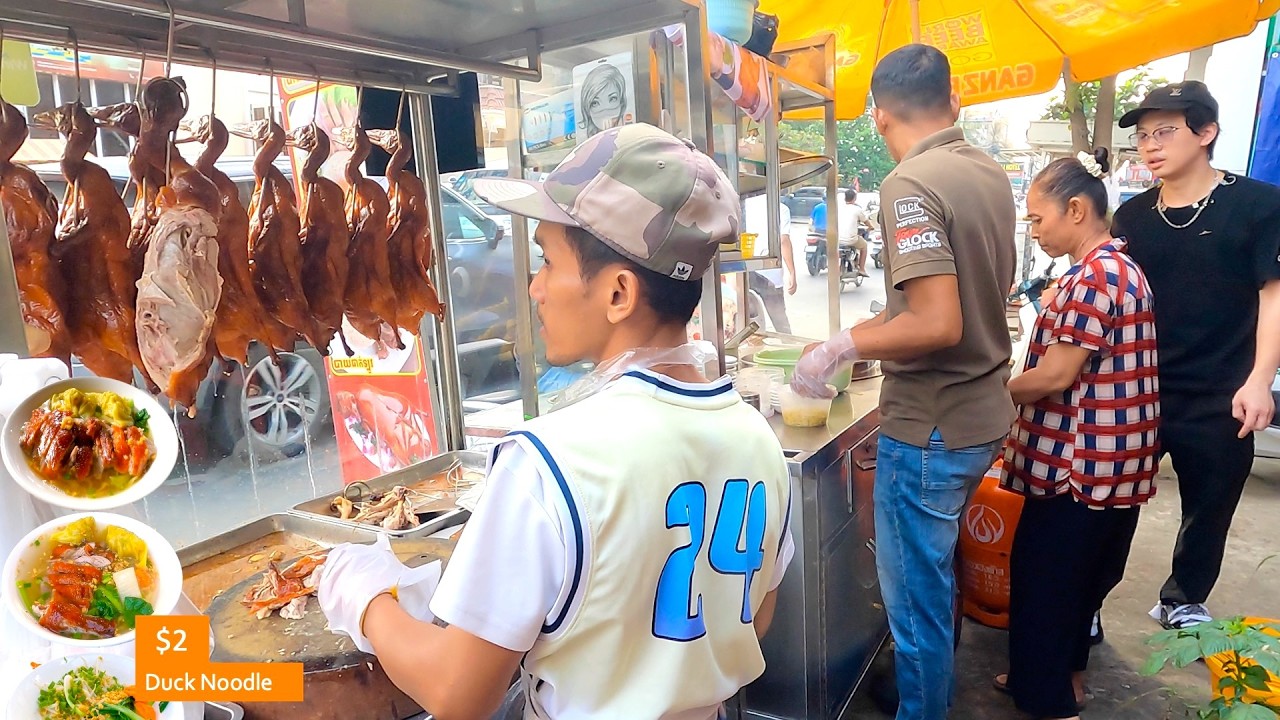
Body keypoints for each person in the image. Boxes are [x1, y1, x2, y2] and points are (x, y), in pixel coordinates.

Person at [316, 123, 795, 720]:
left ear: (619, 293)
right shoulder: (756, 438)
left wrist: (365, 596)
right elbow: (756, 612)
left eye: (547, 261)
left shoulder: (550, 460)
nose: (536, 287)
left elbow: (456, 693)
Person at [790, 44, 1016, 720]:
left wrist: (841, 343)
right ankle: (928, 687)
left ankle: (924, 706)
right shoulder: (987, 171)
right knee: (932, 580)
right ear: (953, 102)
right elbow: (948, 296)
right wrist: (879, 323)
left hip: (932, 426)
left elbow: (940, 321)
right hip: (981, 415)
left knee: (913, 606)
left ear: (880, 117)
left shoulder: (909, 184)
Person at [992, 150, 1160, 720]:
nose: (1034, 231)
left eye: (1038, 220)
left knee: (1045, 586)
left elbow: (1059, 375)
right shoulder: (1121, 268)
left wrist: (989, 393)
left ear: (1076, 209)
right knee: (1078, 583)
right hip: (1114, 465)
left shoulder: (1094, 277)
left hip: (1079, 466)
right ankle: (1059, 682)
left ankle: (1047, 701)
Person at [1113, 81, 1280, 630]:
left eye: (1165, 131)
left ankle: (1182, 596)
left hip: (1220, 392)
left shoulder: (1257, 205)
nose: (1150, 145)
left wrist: (1260, 379)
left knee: (1209, 505)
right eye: (1142, 136)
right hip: (1138, 388)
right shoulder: (1132, 217)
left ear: (1206, 133)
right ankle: (1085, 601)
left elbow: (1272, 293)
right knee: (1109, 503)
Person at [743, 193, 796, 332]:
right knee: (779, 320)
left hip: (745, 271)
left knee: (747, 319)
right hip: (770, 273)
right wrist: (792, 272)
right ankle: (788, 349)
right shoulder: (780, 208)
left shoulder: (744, 204)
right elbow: (783, 241)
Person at [838, 187, 875, 277]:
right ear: (854, 199)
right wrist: (871, 227)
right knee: (864, 245)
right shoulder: (857, 209)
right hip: (851, 239)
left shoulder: (839, 208)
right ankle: (862, 269)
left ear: (844, 198)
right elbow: (866, 221)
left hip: (837, 239)